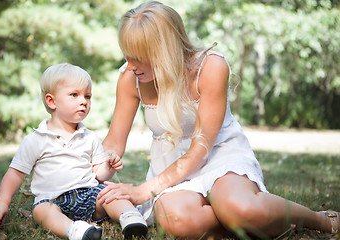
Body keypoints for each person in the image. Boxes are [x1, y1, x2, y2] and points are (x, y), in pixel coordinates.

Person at [98, 1, 340, 238]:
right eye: (127, 56)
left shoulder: (210, 67)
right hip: (168, 165)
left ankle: (318, 219)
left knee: (242, 208)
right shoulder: (130, 78)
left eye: (138, 57)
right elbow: (113, 143)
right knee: (178, 222)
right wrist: (102, 162)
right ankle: (236, 218)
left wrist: (145, 190)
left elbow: (200, 151)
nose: (129, 66)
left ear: (165, 50)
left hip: (218, 154)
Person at [0, 63, 148, 240]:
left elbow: (98, 173)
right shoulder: (36, 139)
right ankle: (75, 230)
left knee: (109, 194)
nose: (83, 101)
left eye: (87, 96)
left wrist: (109, 167)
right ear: (51, 101)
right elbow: (15, 174)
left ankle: (130, 217)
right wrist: (2, 202)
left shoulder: (89, 137)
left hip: (88, 193)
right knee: (41, 211)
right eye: (74, 95)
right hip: (52, 199)